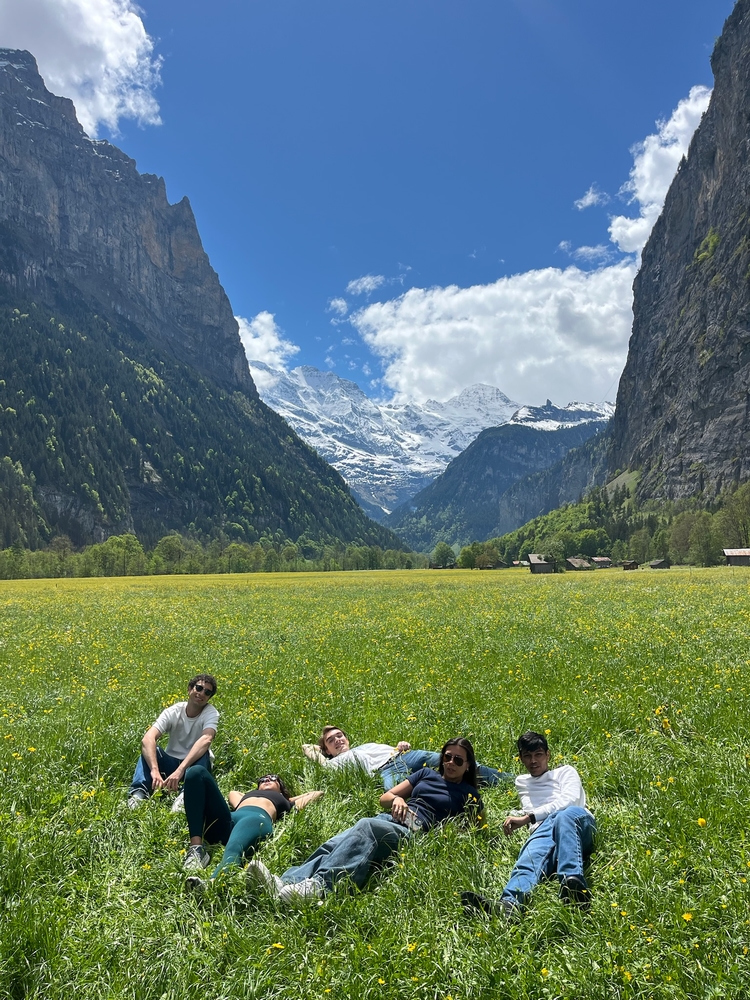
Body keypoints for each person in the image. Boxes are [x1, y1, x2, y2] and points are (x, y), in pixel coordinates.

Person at [248, 737, 484, 906]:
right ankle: (285, 883)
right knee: (333, 844)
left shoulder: (469, 794)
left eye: (458, 760)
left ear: (468, 766)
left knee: (366, 826)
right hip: (390, 817)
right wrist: (397, 801)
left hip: (416, 831)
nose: (451, 763)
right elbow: (385, 797)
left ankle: (321, 887)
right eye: (447, 756)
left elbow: (473, 830)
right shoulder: (426, 774)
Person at [462, 730, 595, 921]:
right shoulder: (522, 782)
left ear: (548, 755)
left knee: (562, 816)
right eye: (527, 756)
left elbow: (570, 800)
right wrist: (522, 817)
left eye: (538, 754)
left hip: (575, 820)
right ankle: (508, 907)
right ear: (521, 759)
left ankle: (572, 884)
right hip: (543, 827)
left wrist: (528, 818)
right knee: (529, 860)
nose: (533, 760)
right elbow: (534, 808)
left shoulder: (566, 771)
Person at [181, 766, 324, 891]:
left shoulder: (287, 803)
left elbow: (317, 793)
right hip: (229, 819)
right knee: (196, 772)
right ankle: (196, 849)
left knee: (235, 847)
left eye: (273, 778)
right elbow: (233, 793)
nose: (267, 779)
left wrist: (287, 799)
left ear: (281, 787)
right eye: (262, 779)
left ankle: (213, 882)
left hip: (256, 819)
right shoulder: (245, 796)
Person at [303, 725, 510, 789]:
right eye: (331, 740)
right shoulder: (333, 763)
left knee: (450, 760)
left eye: (340, 735)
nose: (338, 739)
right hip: (385, 771)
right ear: (327, 750)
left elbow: (392, 749)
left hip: (405, 757)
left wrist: (400, 746)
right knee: (394, 793)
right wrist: (323, 752)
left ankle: (507, 780)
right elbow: (307, 748)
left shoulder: (365, 746)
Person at [127, 674, 219, 808]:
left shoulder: (211, 713)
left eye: (207, 692)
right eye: (198, 688)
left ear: (209, 697)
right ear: (189, 689)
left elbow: (207, 738)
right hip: (170, 764)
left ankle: (185, 797)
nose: (201, 693)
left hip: (193, 765)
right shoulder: (174, 711)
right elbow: (148, 738)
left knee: (205, 754)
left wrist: (181, 770)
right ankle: (139, 794)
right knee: (152, 750)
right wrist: (155, 770)